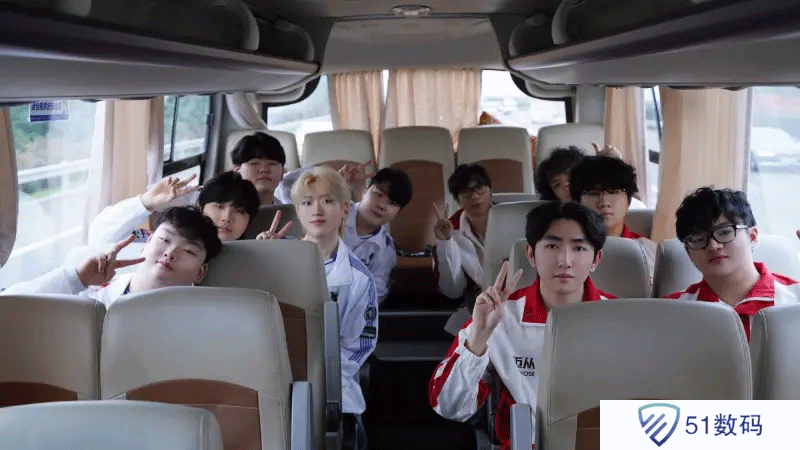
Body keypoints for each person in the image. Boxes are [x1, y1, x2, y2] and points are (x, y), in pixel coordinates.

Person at [429, 201, 614, 449]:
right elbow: (449, 406)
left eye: (578, 248)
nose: (565, 260)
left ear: (596, 259)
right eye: (552, 246)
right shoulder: (499, 316)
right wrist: (478, 337)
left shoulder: (621, 320)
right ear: (531, 254)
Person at [290, 166, 378, 450]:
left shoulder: (358, 278)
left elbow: (358, 345)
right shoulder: (277, 260)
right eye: (307, 202)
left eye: (327, 201)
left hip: (330, 383)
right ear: (298, 211)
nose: (316, 210)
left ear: (345, 210)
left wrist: (317, 375)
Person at [2, 206, 222, 308]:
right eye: (165, 240)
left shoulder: (203, 320)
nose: (170, 253)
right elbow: (8, 305)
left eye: (189, 251)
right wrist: (77, 278)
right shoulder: (93, 290)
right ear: (146, 244)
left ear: (200, 272)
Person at [665, 187, 800, 340]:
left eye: (724, 232)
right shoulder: (669, 312)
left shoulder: (796, 299)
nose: (713, 246)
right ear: (688, 251)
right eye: (699, 239)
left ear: (753, 236)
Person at [269, 162, 412, 302]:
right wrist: (330, 180)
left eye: (392, 203)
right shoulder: (329, 211)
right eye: (378, 194)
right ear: (365, 190)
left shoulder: (385, 249)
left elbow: (376, 293)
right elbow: (285, 184)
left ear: (398, 212)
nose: (381, 206)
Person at [88, 171, 260, 247]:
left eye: (239, 211)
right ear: (201, 207)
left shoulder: (256, 258)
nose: (226, 217)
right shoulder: (163, 244)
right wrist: (146, 203)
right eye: (219, 206)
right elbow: (99, 237)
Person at [569, 155, 656, 274]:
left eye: (613, 192)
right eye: (593, 193)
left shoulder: (646, 250)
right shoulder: (564, 249)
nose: (604, 202)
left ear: (628, 200)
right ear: (577, 202)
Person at [433, 164, 493, 302]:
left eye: (480, 188)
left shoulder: (512, 216)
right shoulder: (449, 229)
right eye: (466, 191)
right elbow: (453, 291)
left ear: (490, 190)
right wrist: (446, 243)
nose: (475, 196)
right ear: (457, 200)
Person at [230, 131, 286, 205]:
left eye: (272, 164)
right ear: (236, 170)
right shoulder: (220, 210)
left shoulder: (291, 211)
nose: (264, 169)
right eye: (254, 163)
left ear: (282, 173)